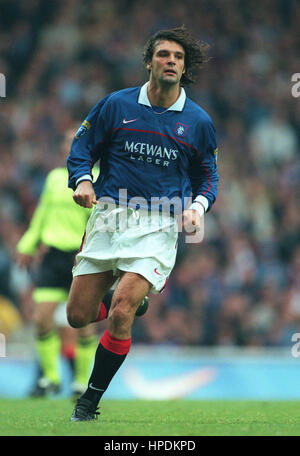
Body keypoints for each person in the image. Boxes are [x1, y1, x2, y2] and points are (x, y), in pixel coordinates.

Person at [67, 26, 219, 421]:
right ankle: (135, 300)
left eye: (178, 57)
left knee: (120, 311)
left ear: (184, 68)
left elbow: (209, 177)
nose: (171, 61)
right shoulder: (116, 105)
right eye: (164, 54)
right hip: (109, 219)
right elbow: (82, 147)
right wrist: (83, 179)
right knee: (76, 317)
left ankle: (88, 403)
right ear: (149, 61)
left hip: (158, 224)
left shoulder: (198, 121)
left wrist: (197, 208)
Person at [16, 128, 148, 399]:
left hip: (82, 254)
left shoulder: (98, 180)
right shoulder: (54, 178)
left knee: (82, 320)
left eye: (74, 143)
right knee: (42, 317)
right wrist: (27, 245)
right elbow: (42, 214)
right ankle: (50, 379)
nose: (70, 147)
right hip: (53, 257)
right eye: (67, 142)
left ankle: (79, 381)